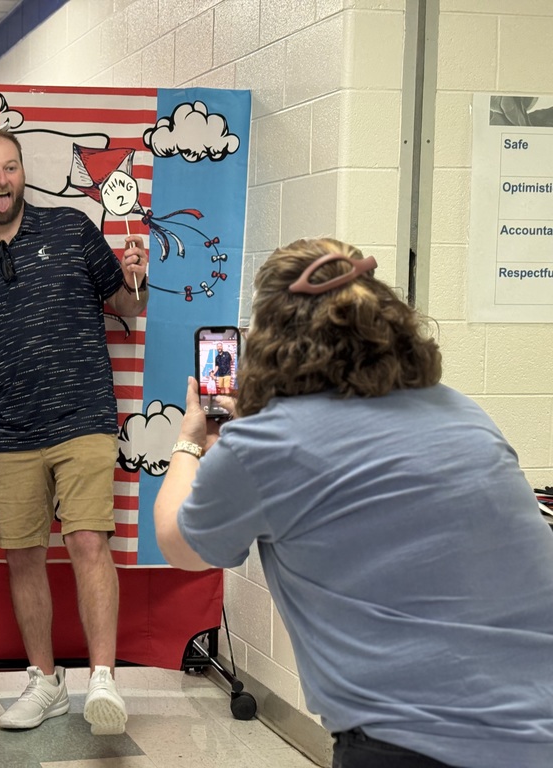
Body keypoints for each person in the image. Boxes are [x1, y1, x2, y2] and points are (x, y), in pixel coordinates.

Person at [153, 237, 553, 768]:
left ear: (268, 338)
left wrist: (190, 441)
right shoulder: (465, 413)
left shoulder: (265, 445)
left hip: (409, 743)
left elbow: (182, 547)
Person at [0, 129, 149, 735]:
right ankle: (45, 681)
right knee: (23, 557)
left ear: (22, 172)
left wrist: (135, 276)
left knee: (86, 543)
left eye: (10, 167)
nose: (1, 179)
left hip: (83, 421)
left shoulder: (74, 228)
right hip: (12, 434)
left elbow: (126, 307)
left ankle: (102, 679)